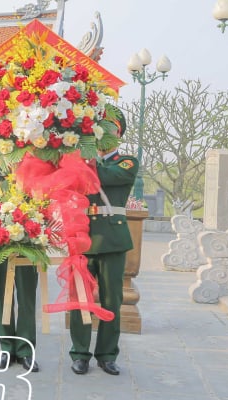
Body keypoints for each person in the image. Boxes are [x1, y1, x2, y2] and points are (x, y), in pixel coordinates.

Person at [70, 108, 138, 376]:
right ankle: (80, 354)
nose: (102, 135)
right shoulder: (82, 162)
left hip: (112, 239)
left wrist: (83, 161)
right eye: (98, 129)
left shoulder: (127, 162)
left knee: (111, 299)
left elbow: (108, 177)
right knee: (80, 298)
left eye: (108, 129)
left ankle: (107, 354)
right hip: (83, 237)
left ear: (117, 133)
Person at [0, 159, 39, 372]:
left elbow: (41, 199)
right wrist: (14, 176)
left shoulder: (34, 164)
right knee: (2, 300)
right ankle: (6, 348)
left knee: (27, 298)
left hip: (28, 243)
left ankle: (26, 350)